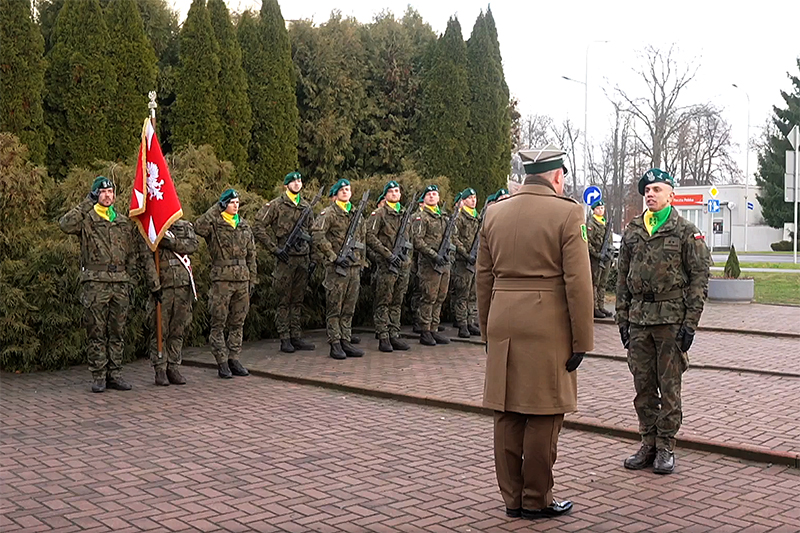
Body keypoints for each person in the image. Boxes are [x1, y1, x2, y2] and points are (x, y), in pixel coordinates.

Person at [476, 145, 593, 519]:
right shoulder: (569, 212)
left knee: (507, 411)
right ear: (557, 177)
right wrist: (582, 340)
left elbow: (482, 277)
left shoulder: (494, 212)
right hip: (547, 325)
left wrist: (486, 330)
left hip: (502, 319)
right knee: (544, 412)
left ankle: (512, 498)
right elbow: (579, 282)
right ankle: (535, 499)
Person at [616, 168, 710, 475]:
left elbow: (698, 279)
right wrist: (622, 320)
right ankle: (648, 442)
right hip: (639, 319)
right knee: (643, 386)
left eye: (657, 189)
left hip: (670, 320)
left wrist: (690, 325)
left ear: (671, 195)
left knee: (669, 387)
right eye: (647, 190)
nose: (651, 194)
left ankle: (666, 446)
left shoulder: (685, 231)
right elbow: (621, 279)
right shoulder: (632, 230)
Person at [59, 176, 161, 392]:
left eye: (110, 192)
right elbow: (65, 224)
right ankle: (98, 376)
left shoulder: (122, 222)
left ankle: (115, 374)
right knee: (96, 331)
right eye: (103, 192)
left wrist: (129, 277)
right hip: (96, 284)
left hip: (120, 284)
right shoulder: (87, 220)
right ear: (96, 194)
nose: (107, 196)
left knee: (117, 331)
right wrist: (88, 202)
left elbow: (132, 253)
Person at [195, 189, 257, 379]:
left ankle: (233, 358)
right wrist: (216, 208)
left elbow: (251, 255)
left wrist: (252, 279)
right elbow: (198, 227)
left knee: (238, 322)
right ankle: (221, 361)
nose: (236, 206)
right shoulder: (214, 224)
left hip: (242, 279)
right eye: (231, 202)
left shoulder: (244, 225)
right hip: (222, 280)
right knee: (218, 322)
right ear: (223, 205)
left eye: (237, 202)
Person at [254, 171, 316, 354]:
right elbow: (258, 226)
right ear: (286, 185)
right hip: (285, 258)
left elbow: (313, 233)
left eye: (299, 181)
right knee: (284, 300)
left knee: (297, 299)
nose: (297, 184)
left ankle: (296, 336)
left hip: (302, 258)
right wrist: (274, 249)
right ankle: (284, 338)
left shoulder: (306, 206)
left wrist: (313, 258)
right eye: (293, 181)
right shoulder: (276, 205)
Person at [312, 179, 367, 360]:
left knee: (349, 307)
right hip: (337, 268)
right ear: (335, 194)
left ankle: (345, 339)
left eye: (348, 189)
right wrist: (334, 256)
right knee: (335, 307)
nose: (346, 192)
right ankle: (335, 343)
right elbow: (317, 235)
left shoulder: (355, 214)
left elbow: (362, 240)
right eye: (342, 190)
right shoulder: (329, 213)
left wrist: (361, 262)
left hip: (353, 267)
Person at [149, 219, 198, 386]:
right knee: (160, 329)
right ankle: (160, 368)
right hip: (163, 285)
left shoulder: (184, 225)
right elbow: (146, 258)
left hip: (183, 286)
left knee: (178, 329)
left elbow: (192, 246)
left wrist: (171, 242)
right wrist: (154, 284)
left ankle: (173, 366)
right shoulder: (152, 226)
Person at [366, 180, 413, 353]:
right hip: (387, 264)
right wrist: (387, 254)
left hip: (402, 264)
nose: (395, 193)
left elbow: (410, 239)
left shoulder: (404, 214)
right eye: (391, 191)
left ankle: (395, 334)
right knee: (384, 301)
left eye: (397, 191)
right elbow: (369, 236)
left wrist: (408, 260)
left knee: (397, 301)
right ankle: (383, 336)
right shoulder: (379, 214)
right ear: (385, 195)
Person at [411, 185, 453, 346]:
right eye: (428, 194)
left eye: (434, 194)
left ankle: (434, 328)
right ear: (424, 198)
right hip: (430, 263)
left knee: (440, 297)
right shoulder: (422, 217)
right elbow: (417, 240)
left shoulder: (443, 217)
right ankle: (425, 330)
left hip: (444, 263)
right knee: (428, 297)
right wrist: (434, 255)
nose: (432, 197)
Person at [451, 187, 481, 338]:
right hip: (463, 262)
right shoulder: (459, 217)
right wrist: (465, 254)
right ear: (463, 201)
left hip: (475, 261)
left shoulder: (477, 217)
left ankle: (471, 322)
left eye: (475, 197)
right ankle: (462, 324)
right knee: (462, 294)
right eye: (470, 198)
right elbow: (454, 238)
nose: (473, 200)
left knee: (473, 295)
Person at [587, 199, 613, 318]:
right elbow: (587, 242)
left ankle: (601, 306)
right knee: (595, 283)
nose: (601, 210)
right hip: (596, 259)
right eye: (598, 208)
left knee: (603, 283)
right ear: (594, 210)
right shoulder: (591, 224)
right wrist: (597, 254)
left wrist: (610, 255)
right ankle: (594, 307)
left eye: (602, 208)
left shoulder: (605, 223)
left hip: (606, 257)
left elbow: (609, 241)